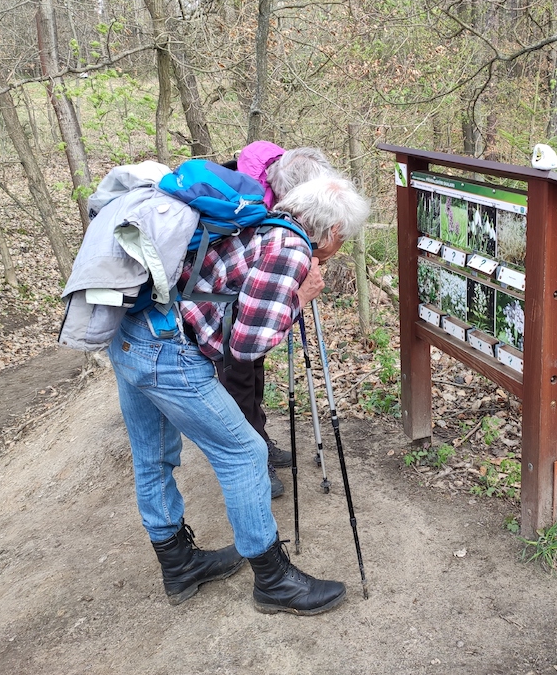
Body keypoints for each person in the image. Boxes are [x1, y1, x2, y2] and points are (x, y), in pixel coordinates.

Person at [107, 176, 370, 613]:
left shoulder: (259, 223)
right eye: (345, 237)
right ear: (334, 232)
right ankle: (273, 581)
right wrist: (299, 298)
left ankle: (179, 565)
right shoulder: (290, 249)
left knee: (152, 455)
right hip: (167, 351)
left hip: (131, 333)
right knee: (245, 453)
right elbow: (245, 347)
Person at [222, 144, 336, 498]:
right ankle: (254, 460)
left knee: (251, 373)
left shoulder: (270, 183)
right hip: (223, 309)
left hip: (241, 300)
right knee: (238, 374)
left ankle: (260, 441)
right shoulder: (257, 204)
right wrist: (298, 293)